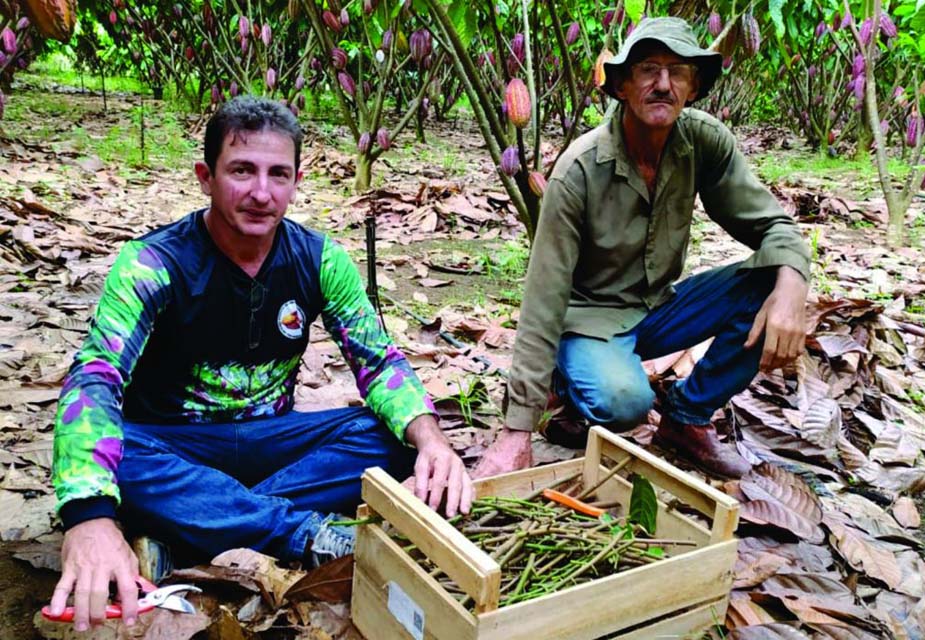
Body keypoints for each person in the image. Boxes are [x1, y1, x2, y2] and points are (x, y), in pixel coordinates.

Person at [46, 95, 474, 631]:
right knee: (116, 452)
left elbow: (378, 360)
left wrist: (433, 441)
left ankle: (189, 528)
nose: (261, 193)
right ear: (206, 176)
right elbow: (95, 379)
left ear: (297, 181)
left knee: (389, 435)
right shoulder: (152, 264)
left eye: (279, 174)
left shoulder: (319, 260)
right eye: (241, 171)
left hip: (269, 442)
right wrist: (86, 518)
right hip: (170, 446)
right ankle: (303, 534)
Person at [475, 17, 810, 480]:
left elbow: (773, 227)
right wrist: (517, 429)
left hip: (657, 307)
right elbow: (542, 298)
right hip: (590, 318)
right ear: (622, 86)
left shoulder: (702, 142)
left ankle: (686, 418)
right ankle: (564, 382)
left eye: (678, 71)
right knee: (625, 402)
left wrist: (793, 286)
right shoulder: (580, 170)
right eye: (648, 69)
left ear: (694, 88)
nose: (663, 84)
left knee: (772, 278)